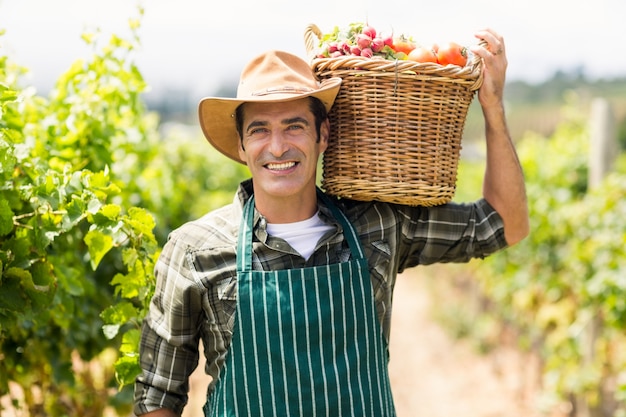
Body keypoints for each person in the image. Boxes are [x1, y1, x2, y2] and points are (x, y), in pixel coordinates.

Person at [133, 28, 529, 417]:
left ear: (323, 134)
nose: (277, 146)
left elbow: (503, 225)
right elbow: (157, 397)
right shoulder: (195, 249)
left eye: (294, 125)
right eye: (259, 130)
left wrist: (493, 109)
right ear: (240, 145)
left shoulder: (378, 224)